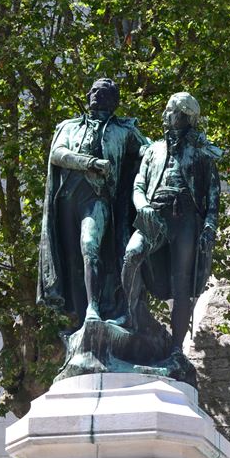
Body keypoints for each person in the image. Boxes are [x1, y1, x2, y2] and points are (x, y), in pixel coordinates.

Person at [37, 78, 147, 325]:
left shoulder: (125, 131)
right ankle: (78, 316)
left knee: (90, 245)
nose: (97, 95)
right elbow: (57, 154)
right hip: (66, 201)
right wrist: (91, 163)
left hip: (97, 198)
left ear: (114, 101)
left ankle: (93, 311)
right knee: (71, 260)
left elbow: (149, 152)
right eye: (94, 90)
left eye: (104, 92)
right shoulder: (68, 126)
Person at [121, 91, 221, 353]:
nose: (165, 115)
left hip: (186, 219)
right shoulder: (153, 149)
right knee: (132, 254)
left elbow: (213, 194)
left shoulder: (201, 152)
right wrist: (142, 206)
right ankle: (128, 317)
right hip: (154, 214)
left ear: (185, 116)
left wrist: (210, 226)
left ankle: (177, 350)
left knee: (182, 285)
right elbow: (139, 184)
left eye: (170, 110)